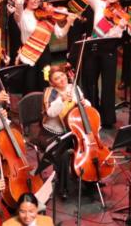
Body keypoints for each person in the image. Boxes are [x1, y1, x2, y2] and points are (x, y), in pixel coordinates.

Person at [83, 0, 131, 127]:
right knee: (90, 82)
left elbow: (116, 36)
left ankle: (107, 119)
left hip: (109, 49)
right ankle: (92, 114)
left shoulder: (122, 14)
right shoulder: (99, 4)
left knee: (108, 84)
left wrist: (120, 27)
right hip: (93, 47)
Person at [40, 65, 90, 198]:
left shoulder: (74, 88)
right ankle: (63, 188)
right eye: (57, 78)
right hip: (56, 132)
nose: (62, 79)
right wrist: (61, 100)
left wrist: (86, 103)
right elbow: (51, 113)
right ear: (52, 83)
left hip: (74, 129)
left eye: (62, 75)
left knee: (87, 148)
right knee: (63, 155)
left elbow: (84, 106)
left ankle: (89, 179)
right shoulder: (50, 93)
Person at [14, 0, 76, 93]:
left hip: (44, 53)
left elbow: (60, 34)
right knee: (30, 86)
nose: (36, 0)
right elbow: (18, 3)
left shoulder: (46, 14)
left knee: (45, 84)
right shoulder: (21, 15)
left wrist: (69, 23)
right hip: (29, 54)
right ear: (26, 0)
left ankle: (45, 108)